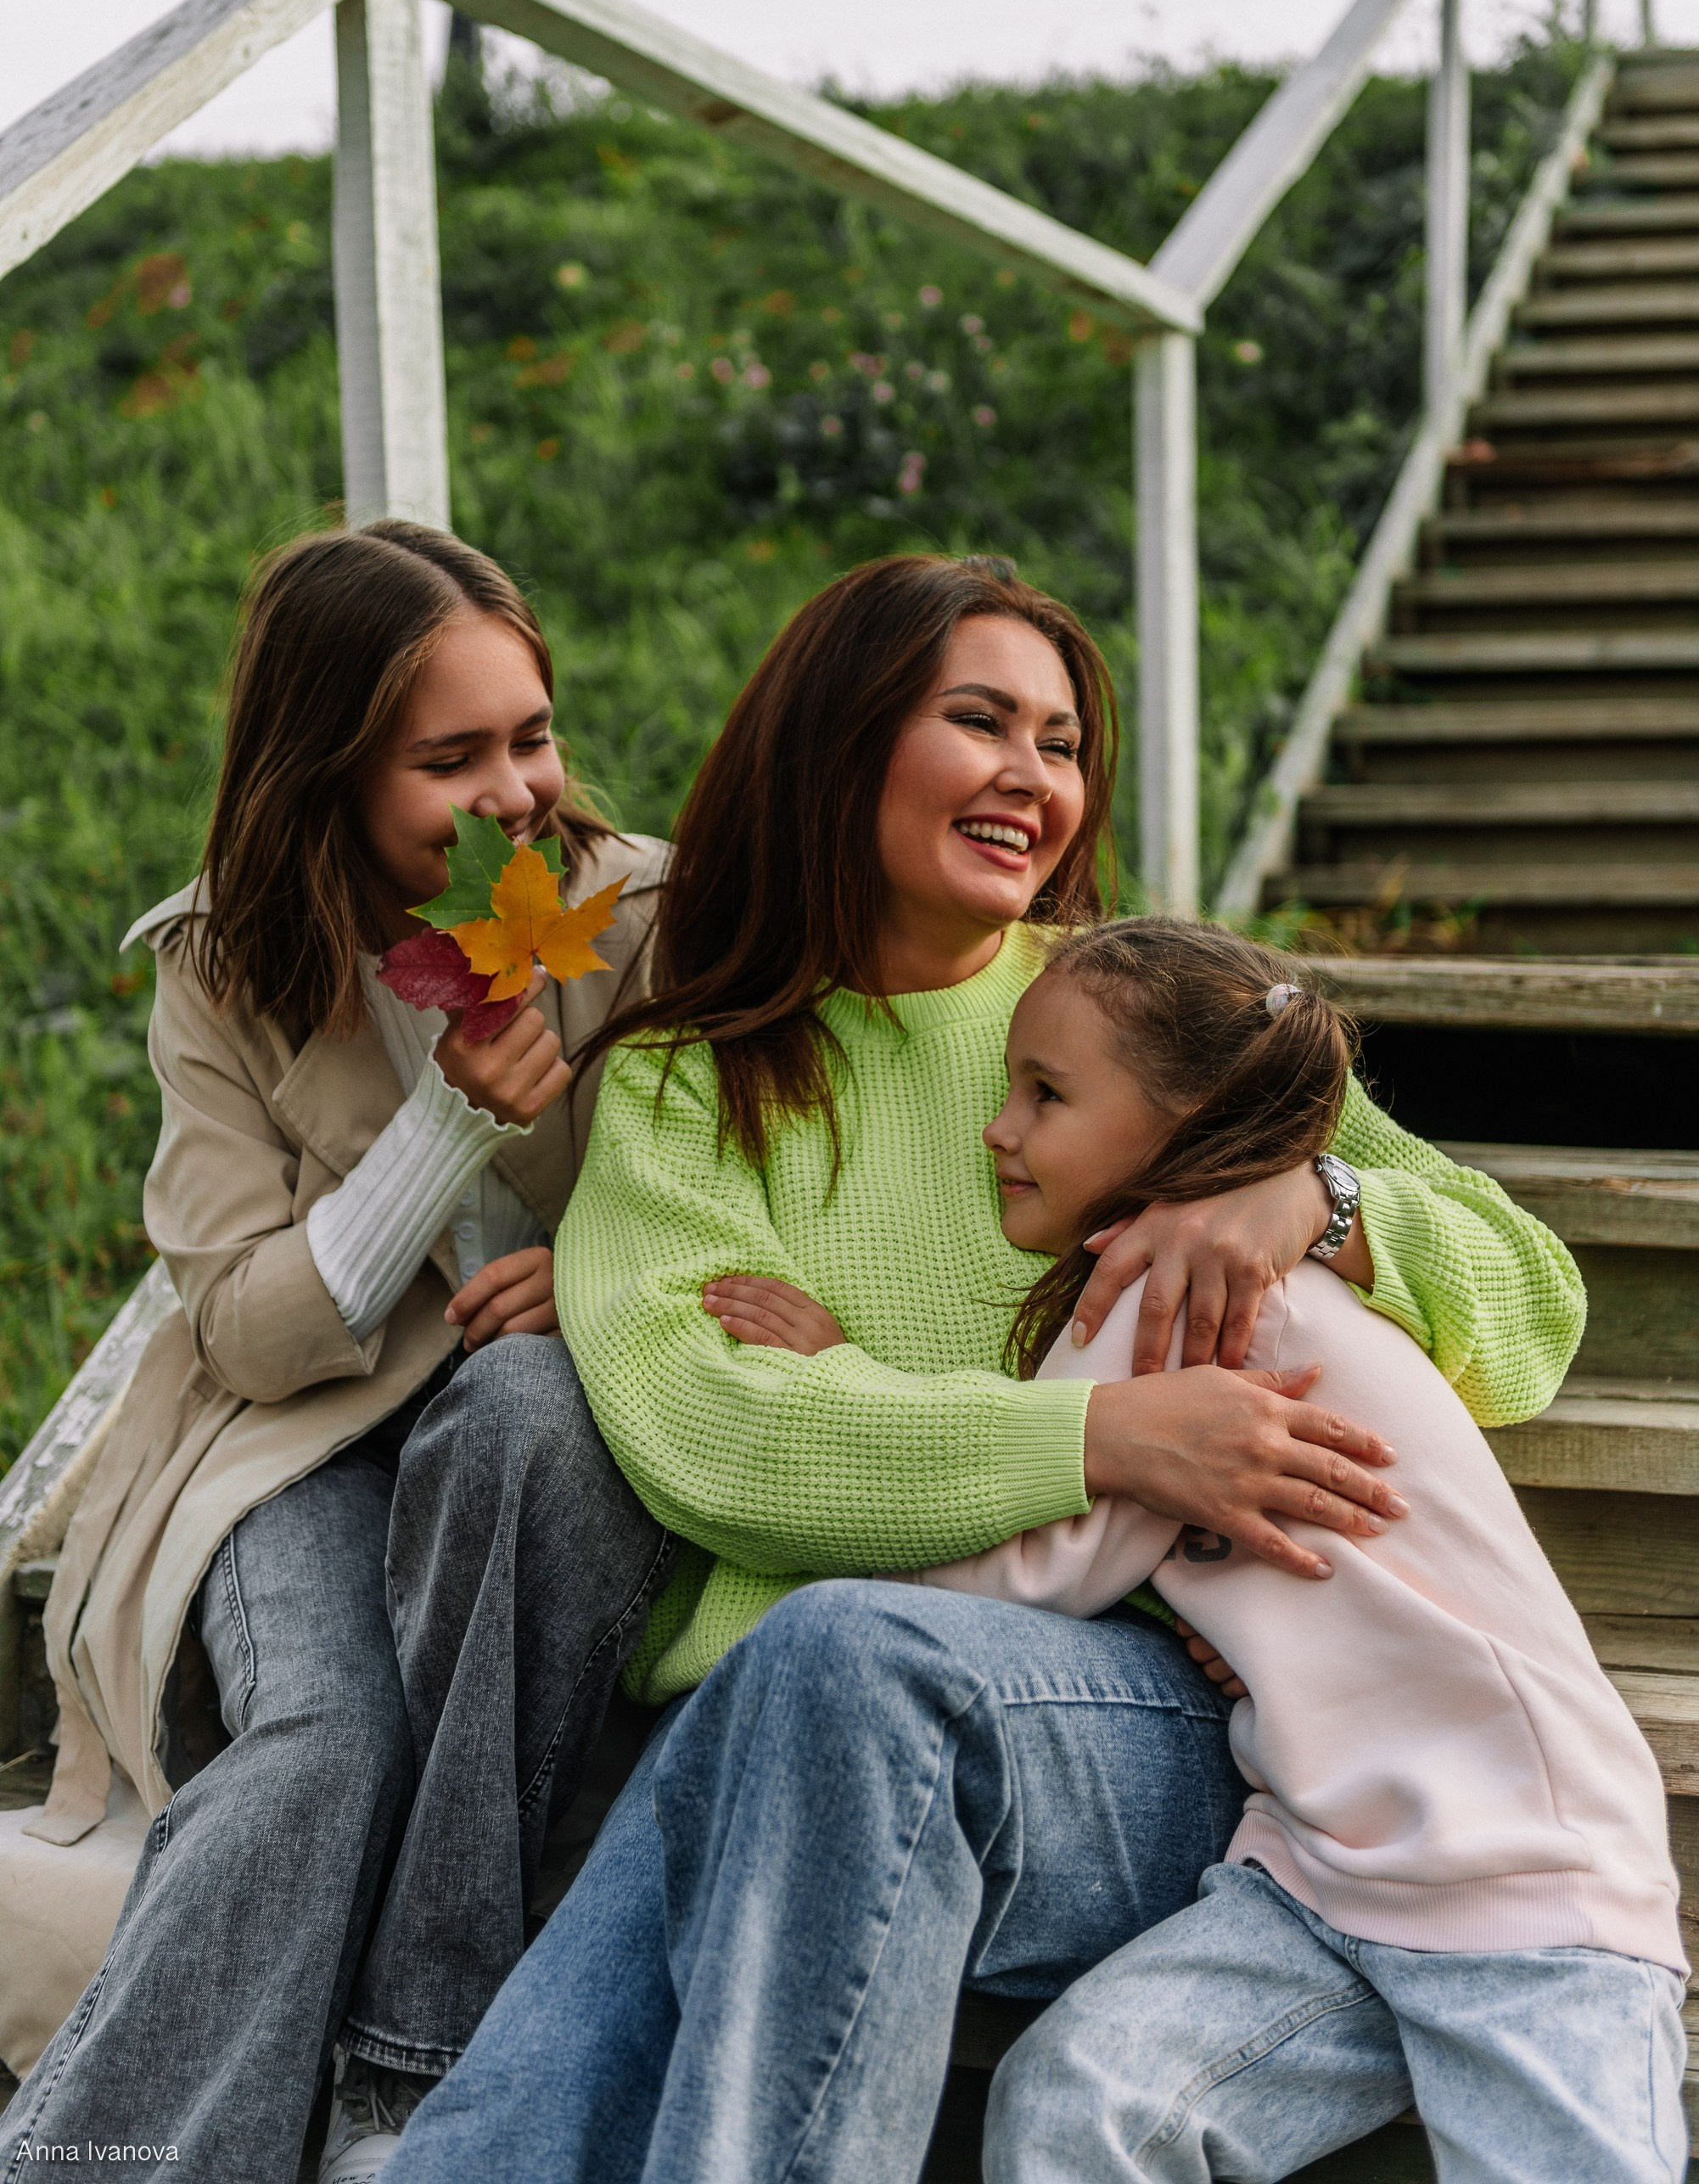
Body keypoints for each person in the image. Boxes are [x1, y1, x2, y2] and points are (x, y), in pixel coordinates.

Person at [385, 550, 1589, 2184]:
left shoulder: (1150, 1022)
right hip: (800, 1721)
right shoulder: (689, 1084)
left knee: (830, 1669)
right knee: (807, 1683)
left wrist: (1321, 1198)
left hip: (1164, 1739)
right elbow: (716, 1435)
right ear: (844, 742)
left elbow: (1533, 1307)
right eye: (980, 722)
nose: (1035, 776)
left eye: (1062, 741)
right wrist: (1110, 1436)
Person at [733, 919, 1687, 2181]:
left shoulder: (1185, 1310)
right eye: (1007, 1088)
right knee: (1083, 2103)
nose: (998, 1129)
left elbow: (1022, 1569)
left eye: (1046, 1095)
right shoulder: (1165, 1298)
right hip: (1319, 1881)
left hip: (1518, 1879)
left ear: (1180, 1128)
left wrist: (838, 1391)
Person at [0, 522, 675, 2184]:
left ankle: (398, 2081)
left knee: (518, 1410)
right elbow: (240, 1325)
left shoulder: (630, 912)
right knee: (322, 1737)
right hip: (292, 1447)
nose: (517, 790)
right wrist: (447, 1121)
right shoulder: (224, 963)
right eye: (452, 759)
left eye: (531, 733)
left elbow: (717, 1190)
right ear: (323, 766)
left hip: (542, 1430)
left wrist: (587, 1279)